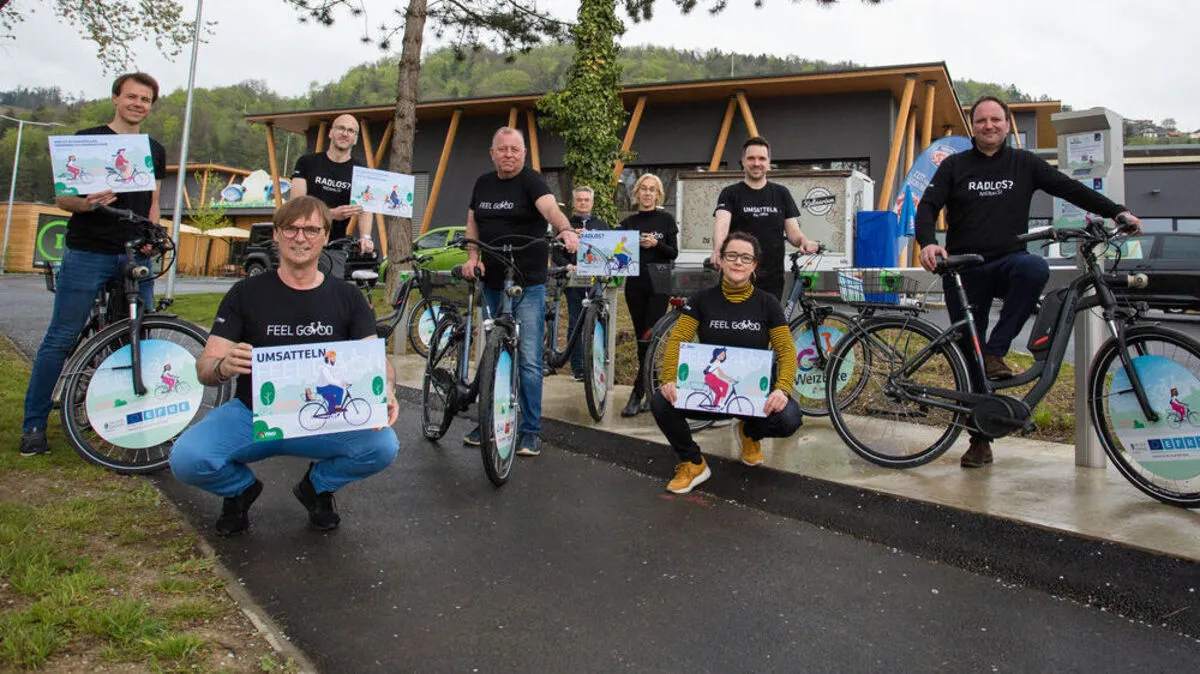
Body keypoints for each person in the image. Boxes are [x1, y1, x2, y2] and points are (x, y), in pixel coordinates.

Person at [916, 95, 1142, 469]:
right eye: (981, 120)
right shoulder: (955, 166)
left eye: (996, 119)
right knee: (969, 357)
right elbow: (927, 205)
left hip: (1008, 261)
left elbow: (1070, 189)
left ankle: (997, 351)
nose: (989, 125)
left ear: (1008, 125)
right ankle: (980, 439)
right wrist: (926, 242)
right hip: (963, 268)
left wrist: (1116, 210)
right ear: (973, 126)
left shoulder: (1024, 163)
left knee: (1034, 270)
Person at [168, 196, 399, 536]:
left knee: (383, 446)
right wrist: (223, 366)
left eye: (310, 229)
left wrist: (388, 389)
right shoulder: (245, 293)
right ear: (276, 235)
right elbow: (205, 368)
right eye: (290, 228)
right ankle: (239, 490)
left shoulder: (348, 297)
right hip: (254, 415)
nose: (300, 237)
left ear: (324, 236)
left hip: (325, 417)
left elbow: (377, 362)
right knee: (187, 458)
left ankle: (317, 487)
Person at [19, 72, 168, 458]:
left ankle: (134, 419)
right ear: (116, 98)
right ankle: (34, 424)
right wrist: (88, 202)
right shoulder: (88, 138)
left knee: (139, 338)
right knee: (62, 337)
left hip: (136, 252)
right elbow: (64, 200)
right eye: (132, 97)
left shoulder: (154, 148)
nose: (139, 104)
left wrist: (153, 234)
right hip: (89, 250)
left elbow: (152, 200)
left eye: (146, 99)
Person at [651, 232, 803, 494]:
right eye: (731, 255)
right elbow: (678, 340)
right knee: (661, 402)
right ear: (720, 260)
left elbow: (787, 351)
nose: (738, 262)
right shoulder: (701, 300)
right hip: (709, 393)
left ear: (754, 265)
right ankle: (693, 462)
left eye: (746, 257)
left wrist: (782, 388)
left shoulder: (767, 304)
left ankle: (750, 432)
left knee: (790, 417)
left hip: (753, 398)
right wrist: (668, 379)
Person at [461, 127, 580, 457]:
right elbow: (473, 222)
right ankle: (490, 420)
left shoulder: (532, 182)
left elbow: (550, 210)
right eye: (503, 149)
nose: (509, 154)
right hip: (493, 281)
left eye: (515, 149)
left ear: (524, 154)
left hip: (527, 283)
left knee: (527, 359)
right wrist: (473, 257)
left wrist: (566, 229)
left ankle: (530, 430)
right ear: (493, 152)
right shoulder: (483, 183)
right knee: (493, 355)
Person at [711, 136, 820, 300]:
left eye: (761, 158)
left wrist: (804, 241)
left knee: (767, 324)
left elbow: (794, 233)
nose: (756, 163)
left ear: (768, 162)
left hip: (772, 277)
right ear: (743, 161)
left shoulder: (781, 193)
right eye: (751, 158)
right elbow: (722, 225)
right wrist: (718, 250)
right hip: (737, 274)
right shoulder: (730, 193)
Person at [619, 173, 678, 417]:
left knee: (649, 336)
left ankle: (637, 392)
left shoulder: (666, 219)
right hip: (635, 284)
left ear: (658, 194)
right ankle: (650, 388)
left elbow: (673, 252)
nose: (647, 193)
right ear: (637, 193)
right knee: (641, 338)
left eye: (652, 189)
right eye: (643, 188)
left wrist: (656, 245)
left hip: (659, 284)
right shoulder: (628, 222)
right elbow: (617, 249)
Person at [551, 185, 611, 380]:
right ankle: (578, 369)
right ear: (574, 202)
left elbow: (609, 251)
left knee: (597, 323)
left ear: (592, 202)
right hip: (574, 281)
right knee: (575, 323)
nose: (583, 203)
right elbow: (555, 253)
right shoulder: (564, 224)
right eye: (579, 200)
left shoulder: (601, 225)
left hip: (596, 282)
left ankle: (597, 367)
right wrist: (568, 266)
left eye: (586, 200)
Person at [290, 113, 374, 253]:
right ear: (330, 133)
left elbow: (364, 208)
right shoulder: (307, 162)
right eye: (341, 128)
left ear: (355, 139)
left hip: (336, 247)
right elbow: (295, 206)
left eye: (351, 131)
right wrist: (331, 214)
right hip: (302, 241)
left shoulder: (361, 171)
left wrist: (365, 237)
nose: (345, 134)